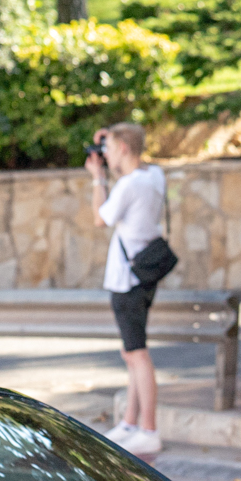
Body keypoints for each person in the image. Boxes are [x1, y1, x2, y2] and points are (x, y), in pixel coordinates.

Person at [88, 121, 167, 457]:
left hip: (127, 281)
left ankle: (148, 428)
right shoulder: (154, 176)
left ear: (122, 149)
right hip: (144, 276)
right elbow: (138, 156)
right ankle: (131, 422)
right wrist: (111, 134)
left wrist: (97, 178)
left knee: (137, 354)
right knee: (132, 351)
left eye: (108, 147)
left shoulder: (128, 186)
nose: (104, 154)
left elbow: (99, 218)